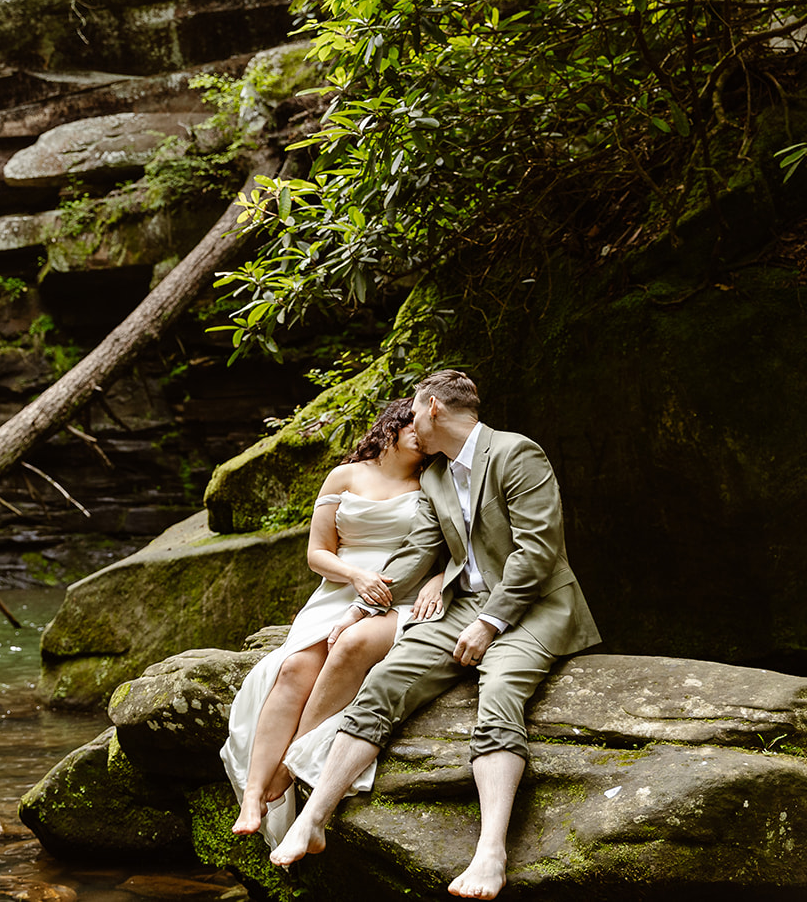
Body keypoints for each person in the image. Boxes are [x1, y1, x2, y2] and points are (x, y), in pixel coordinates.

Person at [270, 369, 601, 900]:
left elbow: (536, 552)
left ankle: (490, 853)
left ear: (433, 408)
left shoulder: (518, 454)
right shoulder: (436, 476)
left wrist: (489, 624)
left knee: (499, 693)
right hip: (462, 604)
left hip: (535, 606)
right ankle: (312, 819)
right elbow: (417, 553)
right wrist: (358, 611)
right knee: (385, 680)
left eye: (414, 413)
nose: (408, 426)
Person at [220, 397, 447, 854]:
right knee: (291, 670)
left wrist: (439, 581)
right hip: (340, 591)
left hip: (398, 596)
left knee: (348, 649)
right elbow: (317, 553)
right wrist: (356, 576)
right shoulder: (345, 476)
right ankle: (252, 795)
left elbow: (454, 545)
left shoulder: (435, 480)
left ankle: (287, 768)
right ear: (395, 425)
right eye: (416, 424)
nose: (423, 434)